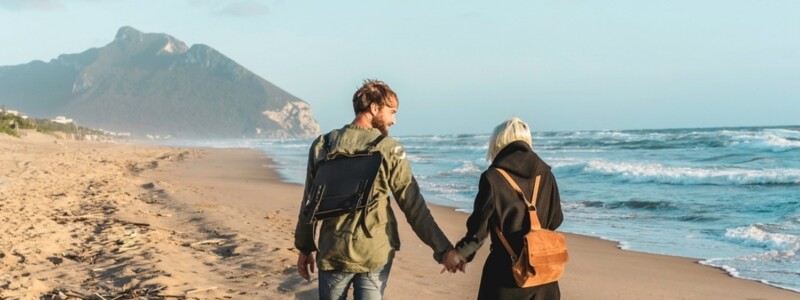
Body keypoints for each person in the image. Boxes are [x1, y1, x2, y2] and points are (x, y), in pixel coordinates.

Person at [294, 79, 462, 299]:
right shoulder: (389, 150)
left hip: (333, 251)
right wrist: (444, 250)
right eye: (391, 112)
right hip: (374, 252)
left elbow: (309, 202)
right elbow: (414, 207)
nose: (394, 120)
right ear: (374, 108)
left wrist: (305, 247)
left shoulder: (323, 144)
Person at [453, 117, 564, 299]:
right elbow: (556, 220)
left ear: (498, 142)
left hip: (505, 275)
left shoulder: (492, 178)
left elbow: (478, 233)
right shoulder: (547, 175)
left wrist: (460, 255)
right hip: (544, 275)